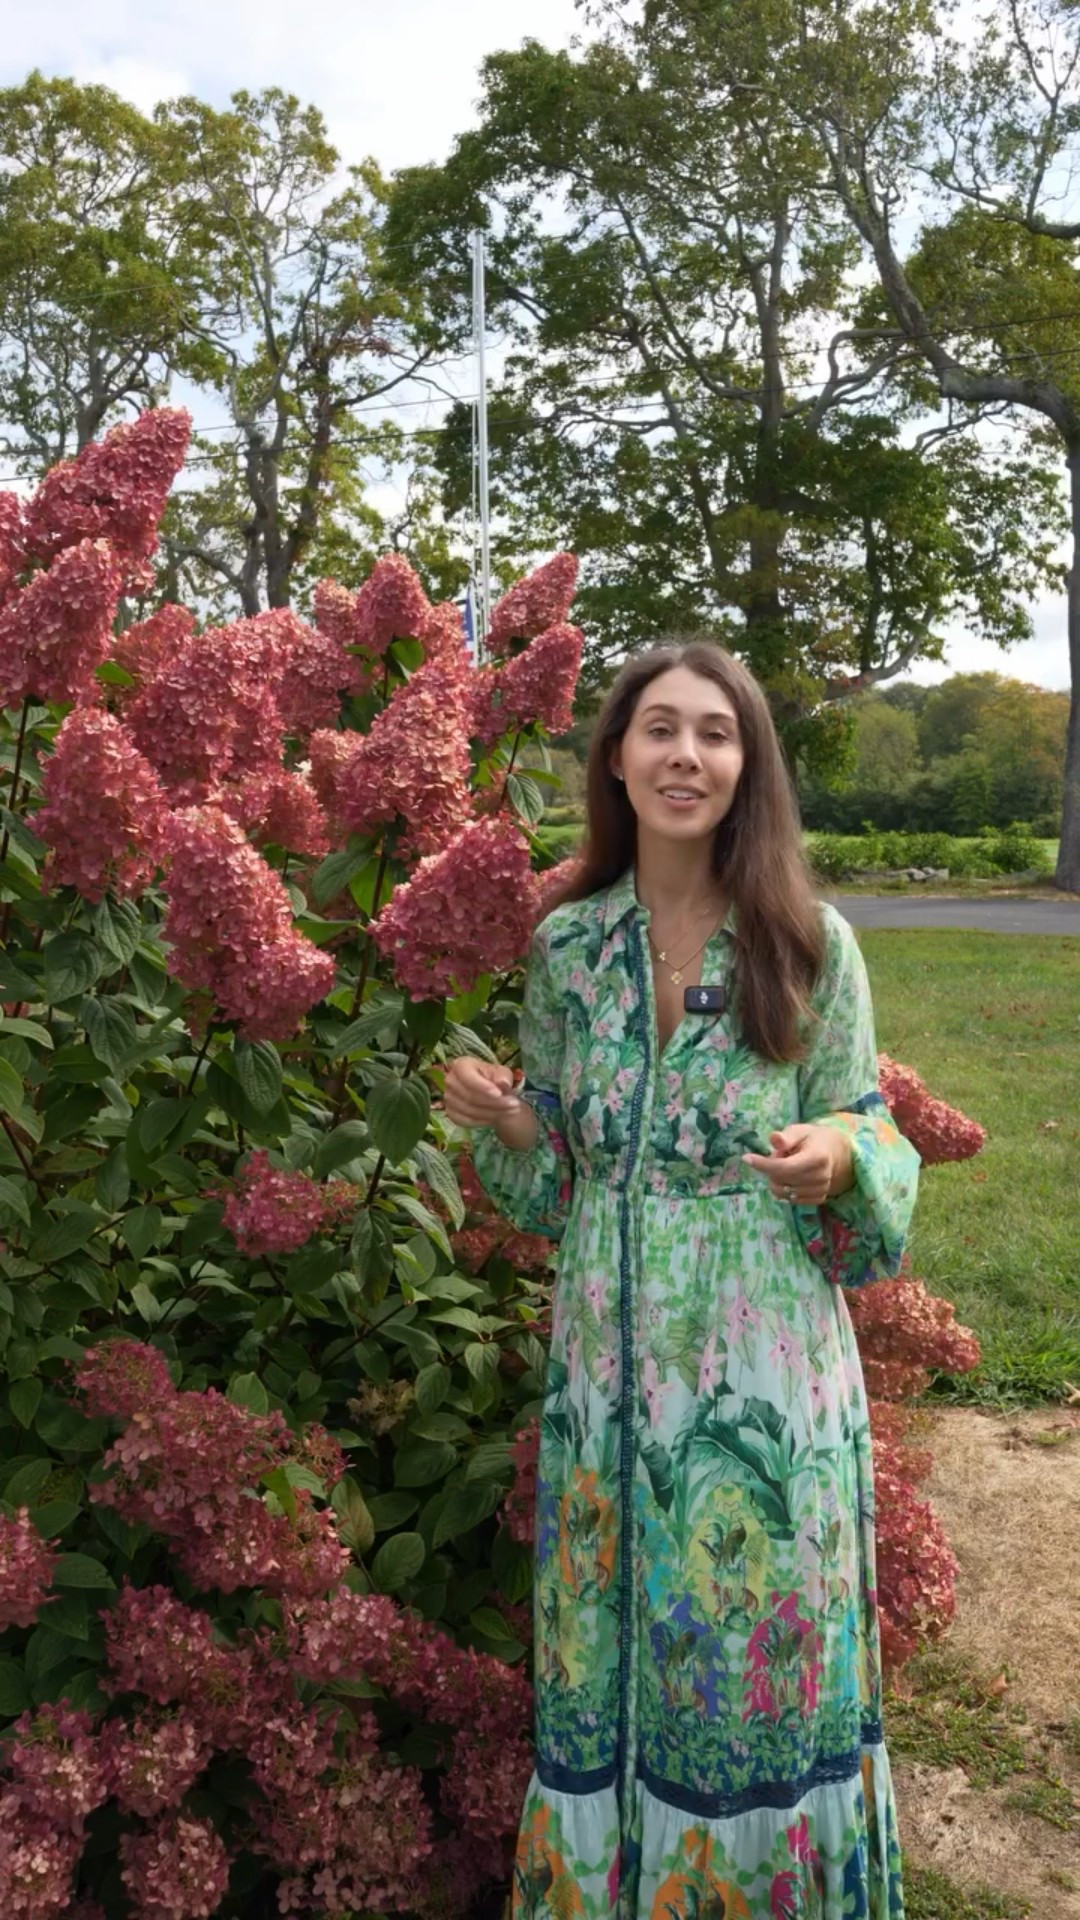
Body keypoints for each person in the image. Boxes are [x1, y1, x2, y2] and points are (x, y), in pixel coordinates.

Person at [444, 640, 919, 1920]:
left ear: (747, 767)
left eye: (716, 734)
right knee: (615, 1649)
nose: (686, 756)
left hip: (765, 1378)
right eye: (660, 729)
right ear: (615, 756)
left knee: (744, 1653)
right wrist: (511, 1127)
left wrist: (838, 1154)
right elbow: (554, 1191)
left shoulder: (808, 943)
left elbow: (875, 1135)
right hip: (604, 1372)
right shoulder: (569, 948)